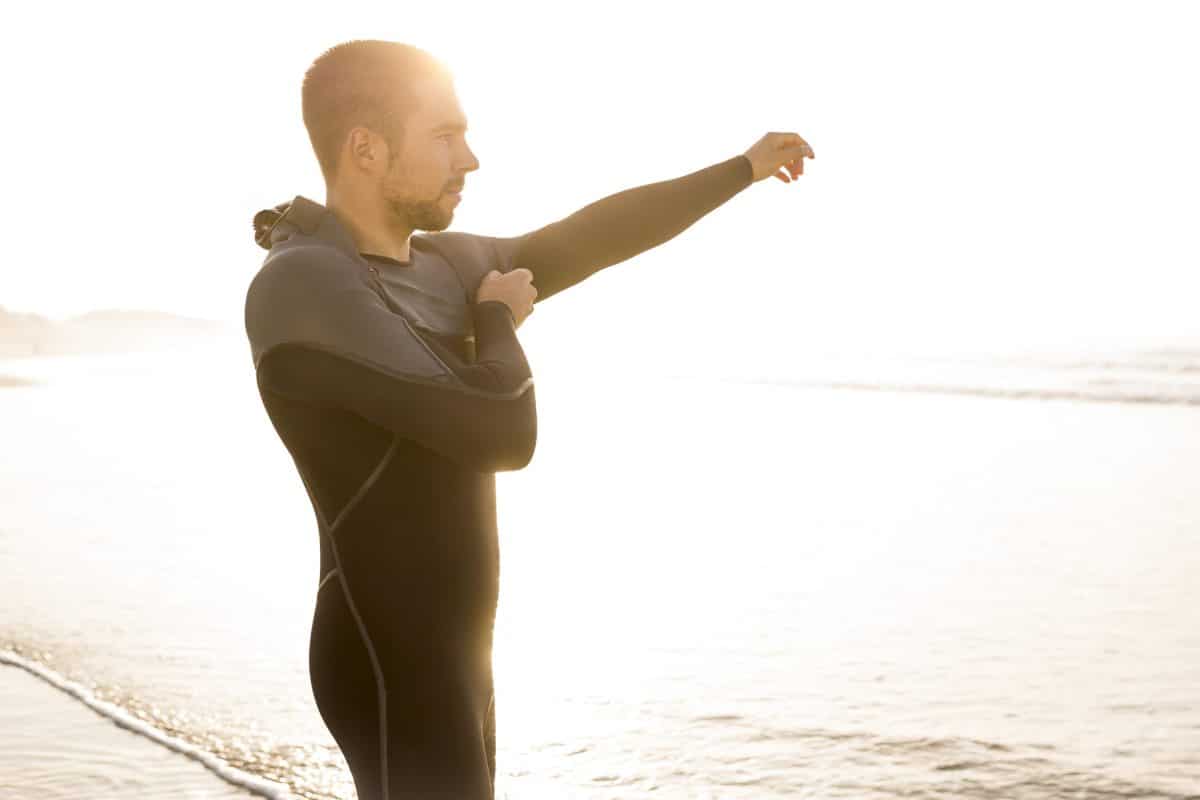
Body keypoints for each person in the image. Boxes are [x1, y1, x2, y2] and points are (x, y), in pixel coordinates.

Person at [244, 39, 813, 800]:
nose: (471, 158)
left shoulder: (441, 265)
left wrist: (739, 170)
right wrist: (497, 321)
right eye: (445, 136)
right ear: (366, 149)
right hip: (388, 656)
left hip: (457, 659)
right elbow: (503, 435)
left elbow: (589, 237)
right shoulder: (305, 282)